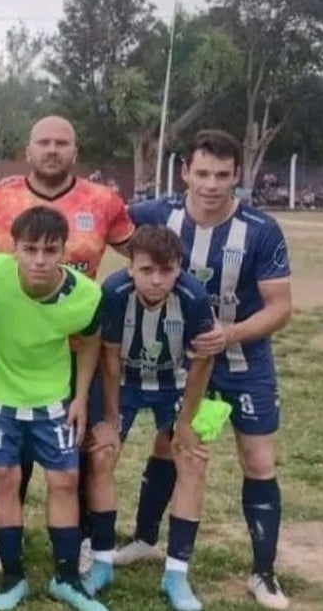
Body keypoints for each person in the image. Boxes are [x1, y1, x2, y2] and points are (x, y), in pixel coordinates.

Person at [127, 130, 293, 610]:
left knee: (257, 460)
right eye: (202, 173)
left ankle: (263, 573)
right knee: (171, 445)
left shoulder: (260, 229)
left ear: (237, 175)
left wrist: (230, 333)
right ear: (185, 173)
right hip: (182, 363)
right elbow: (104, 223)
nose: (211, 185)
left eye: (222, 175)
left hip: (242, 364)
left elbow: (280, 308)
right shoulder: (157, 215)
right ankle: (144, 538)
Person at [0, 116, 135, 574]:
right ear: (28, 150)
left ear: (75, 152)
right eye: (44, 142)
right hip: (15, 348)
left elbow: (140, 252)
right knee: (12, 454)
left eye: (62, 143)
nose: (52, 149)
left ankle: (79, 540)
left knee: (76, 448)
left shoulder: (104, 200)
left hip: (78, 345)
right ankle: (6, 541)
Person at [0, 206, 106, 611]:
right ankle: (13, 578)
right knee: (5, 478)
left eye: (50, 250)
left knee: (65, 480)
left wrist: (80, 396)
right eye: (30, 249)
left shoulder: (86, 294)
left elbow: (91, 339)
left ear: (64, 251)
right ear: (14, 248)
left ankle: (66, 579)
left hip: (52, 399)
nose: (39, 260)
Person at [92, 226, 217, 611]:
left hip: (175, 383)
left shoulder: (194, 297)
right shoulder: (114, 291)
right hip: (124, 381)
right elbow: (109, 359)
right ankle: (100, 562)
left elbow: (203, 362)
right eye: (147, 270)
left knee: (192, 460)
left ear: (179, 268)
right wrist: (110, 418)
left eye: (166, 270)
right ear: (130, 267)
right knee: (101, 454)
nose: (157, 280)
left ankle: (176, 573)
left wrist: (186, 422)